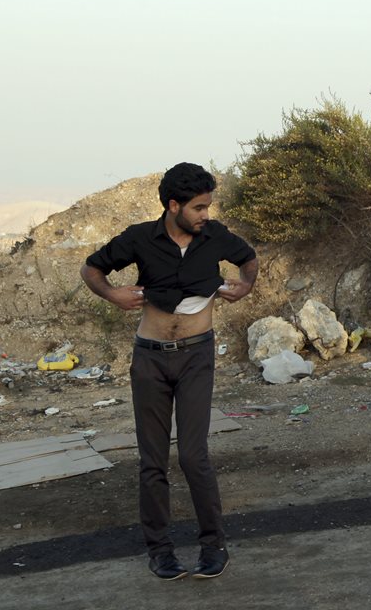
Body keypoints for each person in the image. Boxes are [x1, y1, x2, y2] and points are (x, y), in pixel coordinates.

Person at [80, 163, 259, 581]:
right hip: (150, 360)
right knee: (152, 461)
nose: (206, 215)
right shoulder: (139, 238)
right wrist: (113, 294)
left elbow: (248, 259)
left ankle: (213, 546)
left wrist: (245, 285)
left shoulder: (214, 236)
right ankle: (160, 551)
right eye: (198, 207)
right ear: (174, 206)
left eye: (208, 206)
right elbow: (92, 269)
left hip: (197, 357)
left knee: (194, 456)